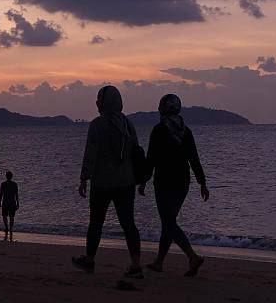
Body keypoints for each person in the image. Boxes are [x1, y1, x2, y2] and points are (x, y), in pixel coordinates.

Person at [72, 85, 143, 279]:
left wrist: (83, 178)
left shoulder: (97, 124)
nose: (96, 103)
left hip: (102, 182)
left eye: (98, 100)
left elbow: (90, 153)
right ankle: (136, 265)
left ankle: (89, 260)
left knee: (96, 223)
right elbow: (136, 152)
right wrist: (139, 178)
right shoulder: (128, 124)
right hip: (126, 182)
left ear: (103, 102)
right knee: (129, 224)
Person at [138, 94, 209, 277]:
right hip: (183, 183)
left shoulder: (159, 130)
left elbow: (151, 158)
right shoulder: (187, 132)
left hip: (164, 182)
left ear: (163, 108)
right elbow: (194, 159)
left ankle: (192, 256)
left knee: (168, 222)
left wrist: (143, 180)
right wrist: (202, 182)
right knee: (169, 222)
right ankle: (159, 262)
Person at [0, 171, 19, 241]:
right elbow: (16, 195)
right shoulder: (14, 184)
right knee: (11, 217)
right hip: (12, 203)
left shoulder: (3, 184)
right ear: (11, 176)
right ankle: (10, 228)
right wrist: (17, 203)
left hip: (5, 203)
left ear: (6, 176)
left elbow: (1, 194)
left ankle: (7, 227)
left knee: (5, 216)